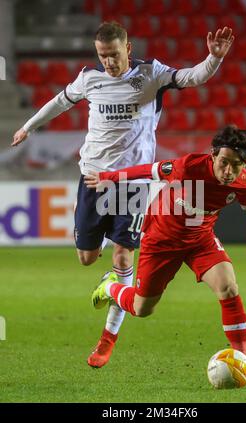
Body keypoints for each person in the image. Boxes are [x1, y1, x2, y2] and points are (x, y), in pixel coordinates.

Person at [12, 21, 234, 368]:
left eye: (114, 55)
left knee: (123, 258)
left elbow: (193, 77)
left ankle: (107, 339)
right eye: (103, 56)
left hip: (133, 183)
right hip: (93, 178)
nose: (109, 63)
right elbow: (60, 101)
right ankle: (106, 277)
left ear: (128, 49)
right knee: (86, 257)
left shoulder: (151, 74)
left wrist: (213, 59)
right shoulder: (90, 78)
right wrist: (28, 126)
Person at [84, 125, 246, 380]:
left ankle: (243, 363)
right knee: (141, 308)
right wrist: (111, 177)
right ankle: (110, 287)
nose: (228, 171)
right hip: (160, 240)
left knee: (228, 287)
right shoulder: (189, 167)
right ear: (213, 155)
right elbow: (150, 171)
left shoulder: (244, 183)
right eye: (224, 162)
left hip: (199, 239)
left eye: (236, 164)